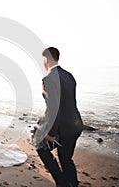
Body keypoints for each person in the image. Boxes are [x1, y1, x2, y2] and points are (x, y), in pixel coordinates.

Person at [36, 47, 83, 187]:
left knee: (41, 148)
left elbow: (54, 108)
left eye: (43, 59)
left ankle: (61, 182)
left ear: (46, 59)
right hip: (76, 124)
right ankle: (72, 183)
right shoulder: (69, 75)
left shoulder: (48, 78)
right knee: (66, 158)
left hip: (62, 128)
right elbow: (66, 102)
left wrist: (50, 133)